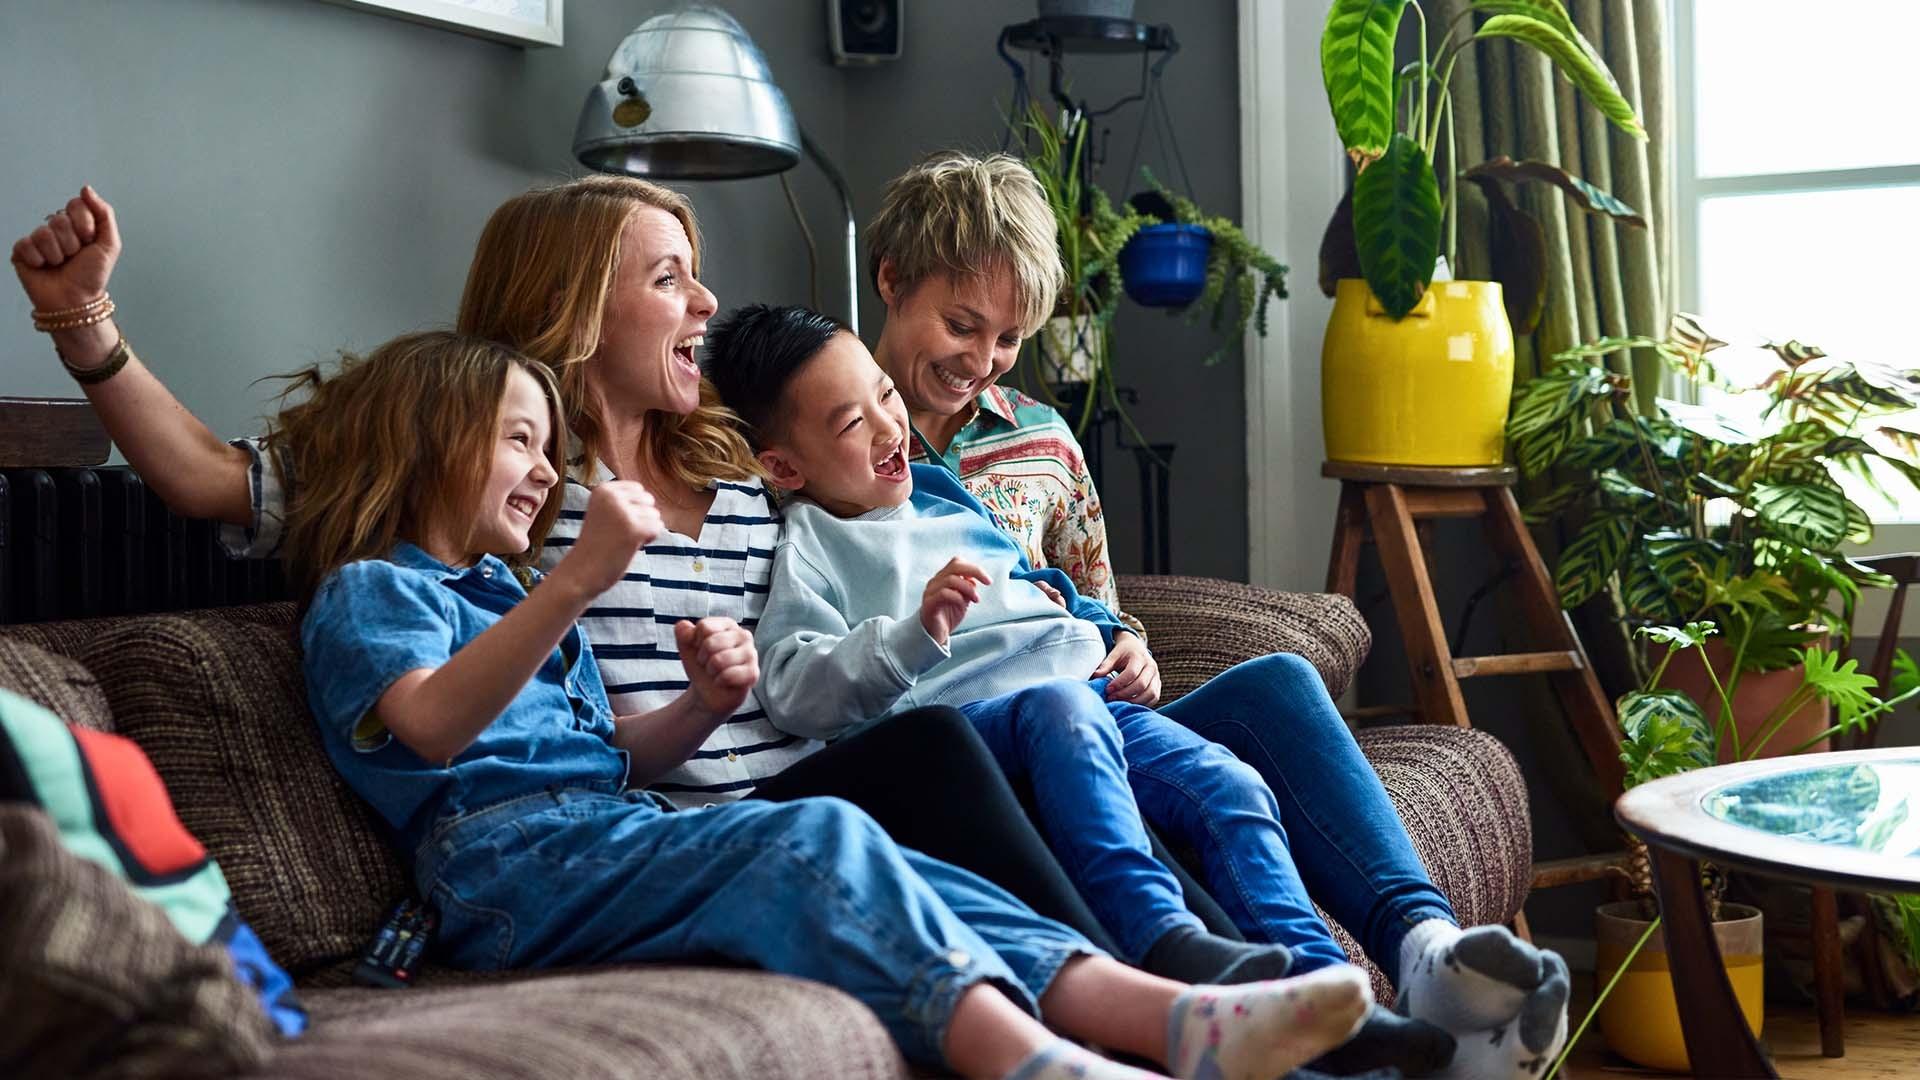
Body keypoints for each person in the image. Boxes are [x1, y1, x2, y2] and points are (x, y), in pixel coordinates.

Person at [6, 180, 1123, 960]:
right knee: (939, 749)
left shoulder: (739, 453)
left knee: (1025, 724)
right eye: (675, 281)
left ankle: (1149, 970)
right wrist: (85, 325)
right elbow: (210, 480)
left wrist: (1074, 607)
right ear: (582, 303)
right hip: (689, 816)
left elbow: (900, 502)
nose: (707, 308)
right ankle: (1128, 981)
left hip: (822, 757)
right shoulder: (495, 479)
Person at [274, 327, 1378, 1080]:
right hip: (502, 873)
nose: (540, 468)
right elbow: (426, 725)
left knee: (914, 869)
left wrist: (701, 707)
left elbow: (607, 754)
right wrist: (573, 585)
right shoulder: (374, 591)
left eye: (545, 444)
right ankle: (1034, 1060)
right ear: (425, 440)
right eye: (518, 440)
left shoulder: (503, 597)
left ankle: (1174, 1020)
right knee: (819, 835)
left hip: (607, 827)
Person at [860, 152, 1573, 1079]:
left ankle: (1423, 949)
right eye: (961, 324)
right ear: (891, 279)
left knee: (1276, 683)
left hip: (1092, 710)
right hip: (984, 741)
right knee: (1121, 764)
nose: (980, 360)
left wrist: (1133, 650)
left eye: (1007, 338)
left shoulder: (1041, 436)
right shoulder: (827, 434)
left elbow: (1098, 603)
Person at [710, 302, 1304, 988]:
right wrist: (913, 635)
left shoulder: (942, 497)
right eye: (850, 423)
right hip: (995, 722)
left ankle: (1321, 983)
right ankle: (1160, 936)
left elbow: (1041, 584)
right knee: (1062, 710)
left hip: (1091, 695)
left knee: (1230, 784)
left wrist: (1112, 633)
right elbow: (791, 684)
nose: (886, 426)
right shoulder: (812, 546)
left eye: (883, 394)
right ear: (783, 468)